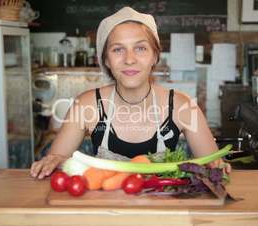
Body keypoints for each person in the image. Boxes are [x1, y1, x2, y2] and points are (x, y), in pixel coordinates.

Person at [30, 7, 231, 179]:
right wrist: (54, 161)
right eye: (118, 50)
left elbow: (212, 164)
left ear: (155, 56)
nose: (129, 59)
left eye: (141, 48)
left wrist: (216, 167)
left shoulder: (182, 106)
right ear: (106, 60)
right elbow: (58, 159)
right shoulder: (87, 104)